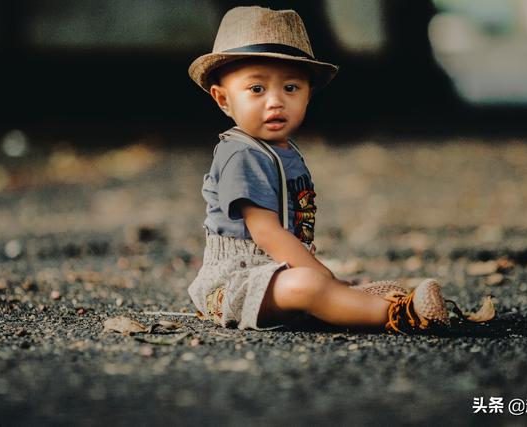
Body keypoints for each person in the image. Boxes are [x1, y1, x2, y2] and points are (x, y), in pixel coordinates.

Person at [187, 6, 451, 333]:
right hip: (235, 284)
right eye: (257, 89)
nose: (275, 101)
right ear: (223, 99)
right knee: (309, 285)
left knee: (317, 283)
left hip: (277, 272)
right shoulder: (240, 154)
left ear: (308, 95)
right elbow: (265, 231)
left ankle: (360, 300)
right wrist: (320, 274)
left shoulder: (285, 153)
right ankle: (399, 315)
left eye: (291, 88)